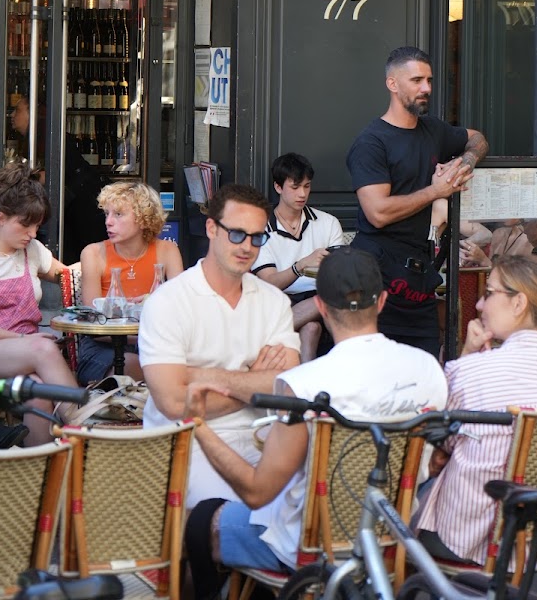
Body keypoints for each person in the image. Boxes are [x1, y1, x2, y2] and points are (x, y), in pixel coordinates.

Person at [182, 247, 447, 591]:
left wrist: (198, 425)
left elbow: (258, 492)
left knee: (195, 520)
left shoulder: (306, 383)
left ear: (320, 306)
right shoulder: (428, 368)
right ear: (382, 301)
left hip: (309, 546)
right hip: (390, 539)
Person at [415, 255, 537, 567]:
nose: (480, 306)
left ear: (518, 303)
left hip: (465, 537)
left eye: (489, 293)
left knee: (395, 504)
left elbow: (433, 444)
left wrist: (467, 355)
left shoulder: (473, 371)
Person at [138, 183, 301, 508]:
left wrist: (203, 378)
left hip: (265, 438)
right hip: (187, 442)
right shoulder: (168, 302)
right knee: (246, 511)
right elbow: (172, 403)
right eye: (238, 234)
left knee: (311, 507)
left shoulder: (274, 301)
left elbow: (288, 388)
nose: (248, 247)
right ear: (211, 228)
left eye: (258, 238)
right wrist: (254, 380)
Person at [347, 46, 487, 355]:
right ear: (392, 84)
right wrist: (437, 191)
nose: (426, 88)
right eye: (416, 80)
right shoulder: (371, 143)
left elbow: (478, 138)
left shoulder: (433, 130)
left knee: (423, 367)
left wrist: (466, 162)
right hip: (376, 278)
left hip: (419, 277)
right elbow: (378, 213)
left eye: (429, 80)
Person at [0, 161, 79, 445]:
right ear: (1, 218)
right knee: (42, 345)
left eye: (36, 226)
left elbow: (70, 277)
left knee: (40, 393)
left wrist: (103, 259)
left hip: (28, 351)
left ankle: (35, 475)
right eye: (25, 225)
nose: (32, 233)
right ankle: (84, 422)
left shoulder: (31, 251)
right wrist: (22, 339)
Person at [77, 180, 184, 384]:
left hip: (156, 344)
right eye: (107, 214)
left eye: (118, 214)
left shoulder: (167, 251)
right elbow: (93, 324)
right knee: (139, 365)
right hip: (104, 348)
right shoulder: (93, 253)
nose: (108, 221)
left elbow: (181, 308)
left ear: (144, 219)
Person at [252, 152, 344, 361]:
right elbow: (269, 283)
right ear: (278, 187)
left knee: (321, 310)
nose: (302, 194)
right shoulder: (261, 228)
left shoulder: (327, 222)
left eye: (307, 186)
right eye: (295, 187)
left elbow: (340, 276)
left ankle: (300, 381)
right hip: (279, 300)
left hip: (319, 295)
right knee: (313, 322)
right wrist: (301, 265)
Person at [11, 95, 105, 262]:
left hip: (81, 208)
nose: (12, 115)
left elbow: (53, 172)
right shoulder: (34, 139)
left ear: (32, 113)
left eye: (17, 110)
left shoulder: (51, 138)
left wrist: (20, 176)